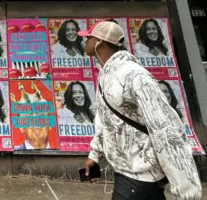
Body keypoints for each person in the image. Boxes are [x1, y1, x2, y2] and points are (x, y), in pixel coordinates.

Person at [79, 21, 201, 199]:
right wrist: (95, 155)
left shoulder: (135, 76)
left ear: (99, 41)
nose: (85, 41)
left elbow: (165, 129)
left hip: (143, 176)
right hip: (126, 172)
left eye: (88, 37)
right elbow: (105, 120)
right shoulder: (106, 75)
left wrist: (187, 192)